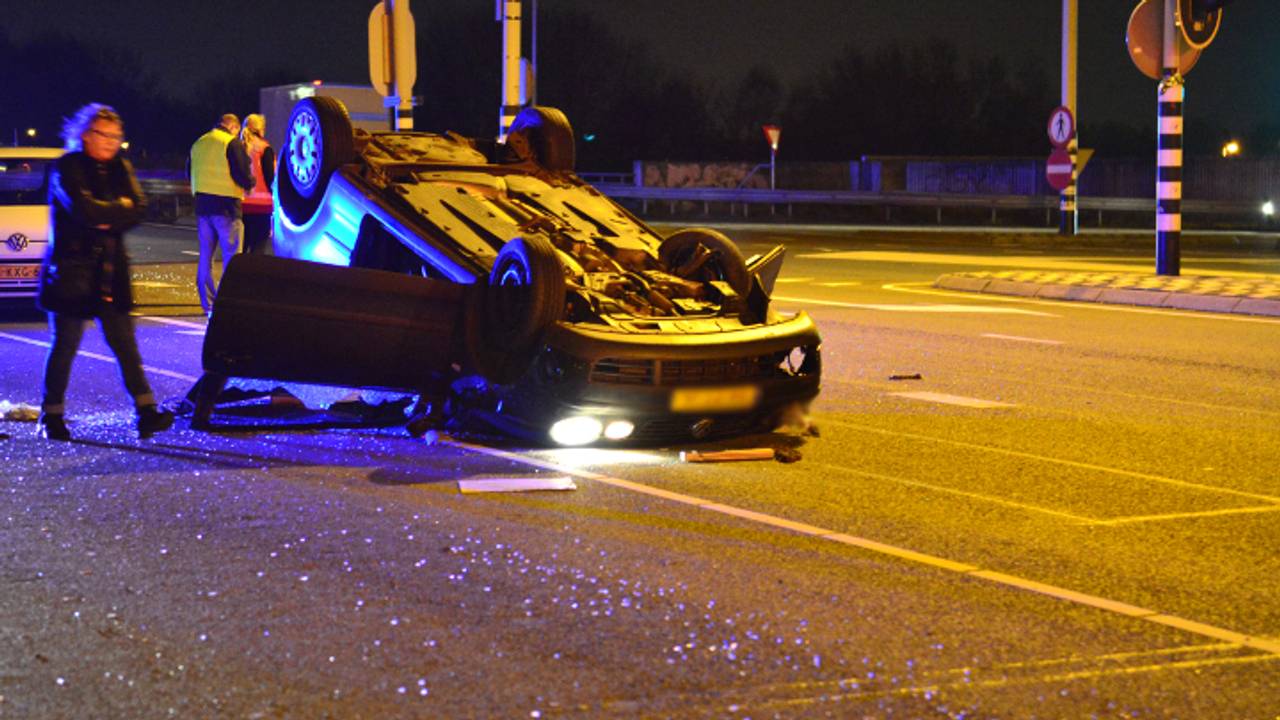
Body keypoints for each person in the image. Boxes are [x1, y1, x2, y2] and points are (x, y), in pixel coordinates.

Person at [36, 103, 174, 441]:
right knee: (65, 346)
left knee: (126, 347)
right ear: (85, 134)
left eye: (116, 136)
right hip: (71, 271)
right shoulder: (67, 167)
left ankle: (146, 413)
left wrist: (111, 213)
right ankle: (51, 416)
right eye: (104, 134)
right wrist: (117, 210)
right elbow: (82, 210)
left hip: (110, 272)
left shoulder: (120, 168)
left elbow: (139, 208)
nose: (111, 142)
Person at [189, 113, 254, 314]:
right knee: (232, 257)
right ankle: (229, 301)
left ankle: (206, 301)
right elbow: (241, 172)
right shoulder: (231, 143)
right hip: (226, 207)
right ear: (233, 127)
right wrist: (250, 184)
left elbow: (188, 170)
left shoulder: (199, 142)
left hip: (202, 207)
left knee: (205, 256)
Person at [239, 114, 275, 254]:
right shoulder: (264, 148)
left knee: (241, 247)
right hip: (261, 206)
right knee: (258, 249)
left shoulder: (237, 147)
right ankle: (252, 275)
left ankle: (238, 275)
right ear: (261, 129)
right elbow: (269, 178)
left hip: (241, 204)